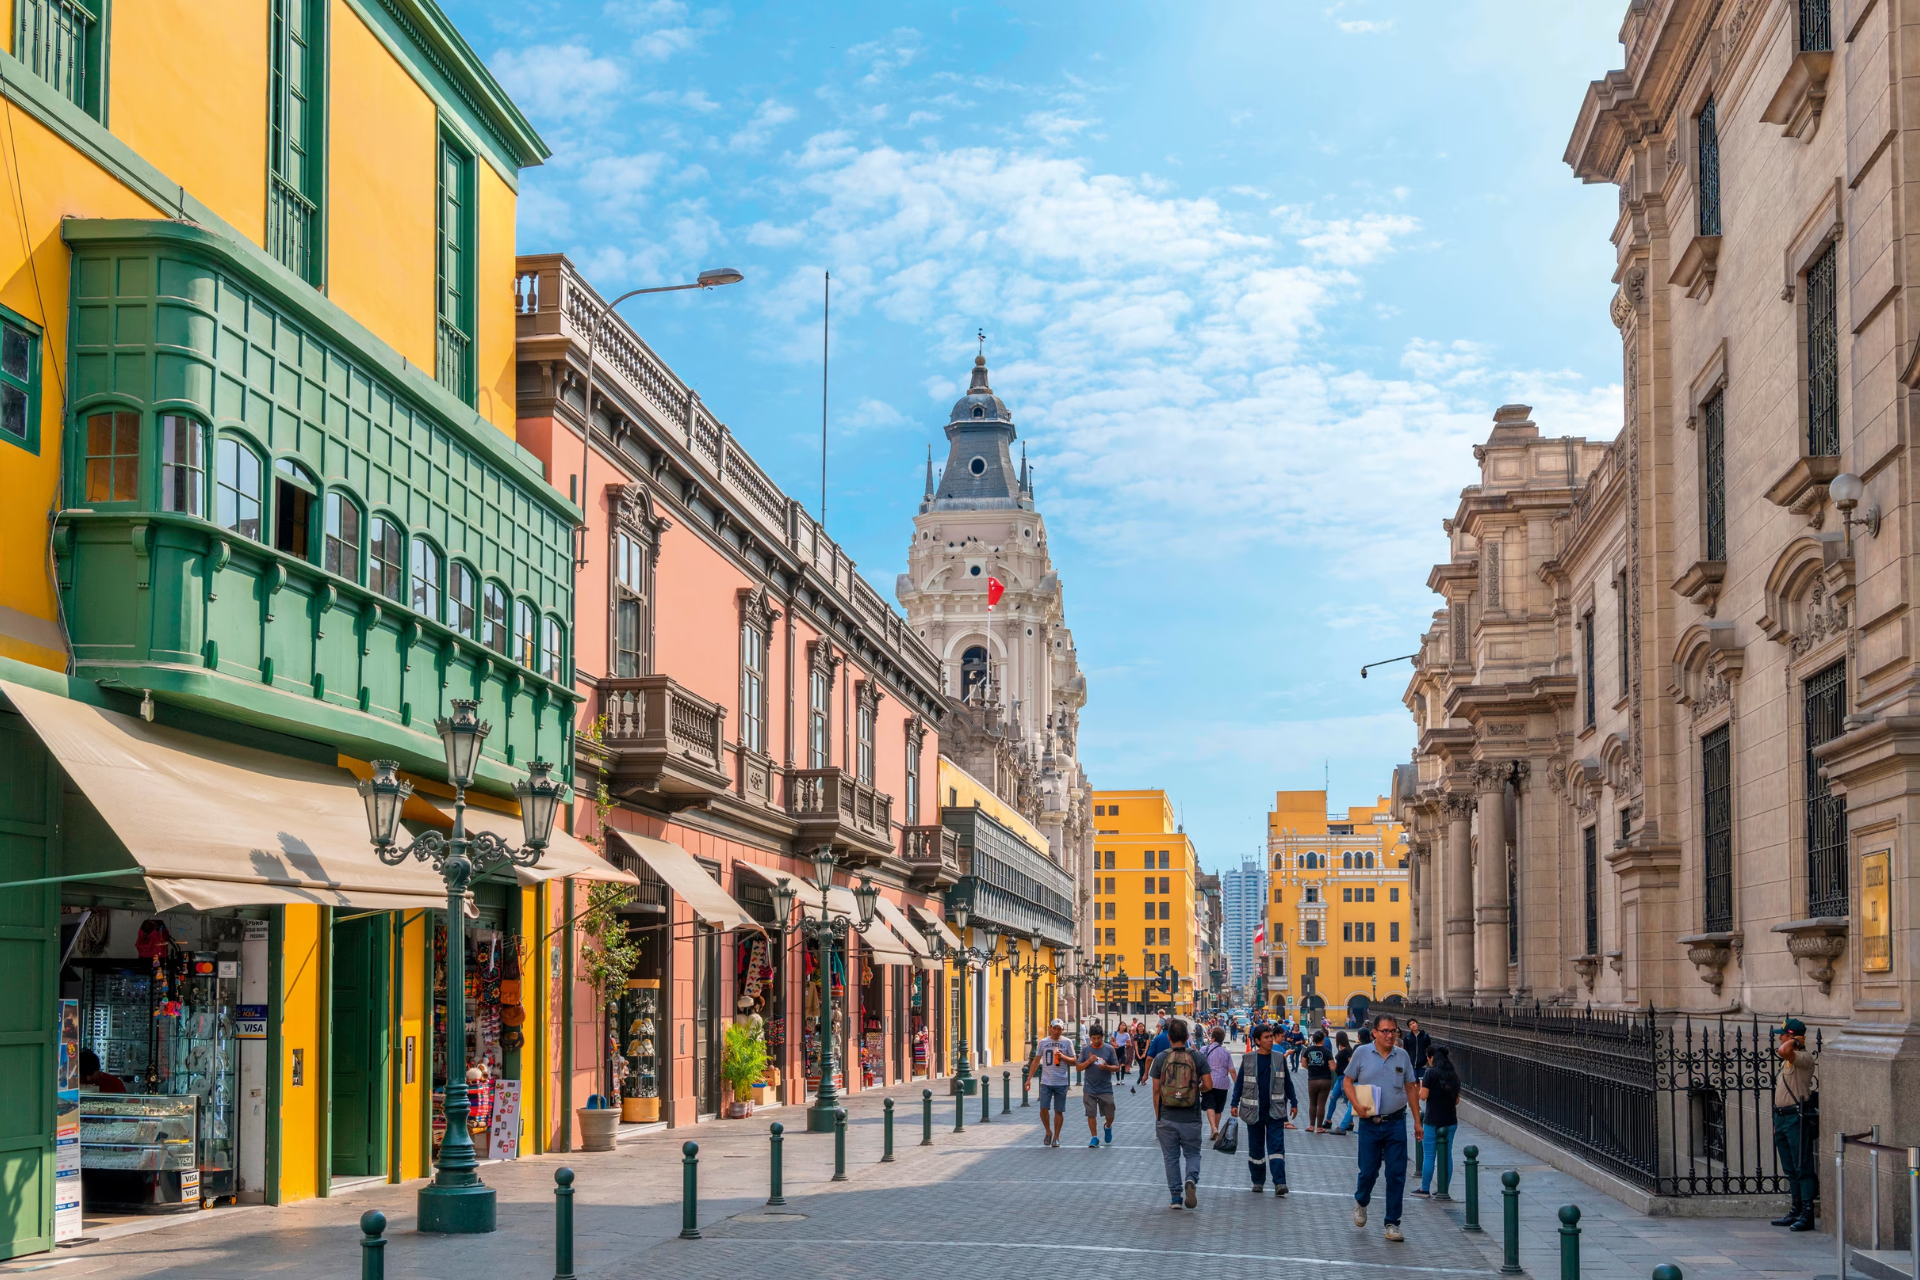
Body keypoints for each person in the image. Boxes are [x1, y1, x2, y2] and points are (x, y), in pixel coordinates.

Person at [1343, 1012, 1422, 1244]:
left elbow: (1411, 1088)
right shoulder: (1361, 1053)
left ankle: (1392, 1223)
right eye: (1385, 1031)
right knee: (1368, 1171)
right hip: (1369, 1124)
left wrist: (1417, 1121)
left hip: (1396, 1122)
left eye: (1393, 1030)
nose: (1390, 1035)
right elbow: (1347, 1081)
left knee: (1396, 1174)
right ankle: (1361, 1201)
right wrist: (1355, 1104)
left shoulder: (1403, 1056)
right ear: (1374, 1032)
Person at [1230, 1023, 1297, 1194]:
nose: (1270, 1040)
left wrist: (1294, 1102)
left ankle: (1280, 1183)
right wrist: (1234, 1103)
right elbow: (1240, 1083)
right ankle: (1258, 1181)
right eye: (1266, 1037)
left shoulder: (1279, 1058)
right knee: (1256, 1148)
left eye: (1270, 1036)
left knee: (1276, 1148)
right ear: (1257, 1041)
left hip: (1275, 1111)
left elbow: (1287, 1083)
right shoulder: (1248, 1059)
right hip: (1254, 1112)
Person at [1151, 1018, 1206, 1209]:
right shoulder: (1197, 1057)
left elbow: (1156, 1091)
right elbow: (1209, 1084)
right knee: (1192, 1153)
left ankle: (1176, 1197)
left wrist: (1158, 1116)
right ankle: (1190, 1179)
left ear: (1168, 1037)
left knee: (1171, 1158)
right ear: (1188, 1037)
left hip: (1167, 1116)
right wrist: (1195, 1089)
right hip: (1191, 1116)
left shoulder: (1160, 1058)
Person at [1769, 1018, 1819, 1231]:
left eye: (1783, 1034)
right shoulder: (1789, 1059)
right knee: (1790, 1167)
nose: (1779, 1037)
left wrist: (1797, 1042)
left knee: (1802, 1166)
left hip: (1796, 1118)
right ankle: (1796, 1209)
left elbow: (1782, 1050)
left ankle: (1807, 1214)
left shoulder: (1804, 1057)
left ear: (1792, 1037)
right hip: (1782, 1117)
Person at [1412, 1045, 1460, 1199]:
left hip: (1432, 1119)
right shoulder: (1453, 1075)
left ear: (1432, 1058)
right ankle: (1443, 1189)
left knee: (1429, 1155)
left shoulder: (1430, 1073)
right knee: (1447, 1154)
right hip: (1450, 1120)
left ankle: (1424, 1189)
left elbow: (1423, 1096)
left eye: (1428, 1057)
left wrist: (1420, 1086)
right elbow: (1457, 1100)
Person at [1028, 1019, 1077, 1148]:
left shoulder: (1067, 1042)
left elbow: (1074, 1061)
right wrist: (1029, 1079)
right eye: (1054, 1028)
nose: (1057, 1031)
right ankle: (1048, 1131)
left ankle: (1056, 1137)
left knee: (1058, 1111)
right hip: (1046, 1081)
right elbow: (1036, 1061)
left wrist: (1063, 1057)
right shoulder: (1043, 1042)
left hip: (1061, 1081)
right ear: (1050, 1028)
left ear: (1063, 1030)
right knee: (1043, 1108)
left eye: (1059, 1029)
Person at [1076, 1026, 1121, 1147]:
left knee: (1110, 1113)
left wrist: (1106, 1067)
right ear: (1090, 1038)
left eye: (1099, 1038)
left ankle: (1108, 1126)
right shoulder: (1085, 1050)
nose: (1096, 1040)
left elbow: (1117, 1067)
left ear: (1102, 1037)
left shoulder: (1109, 1049)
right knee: (1091, 1113)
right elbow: (1078, 1068)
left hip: (1105, 1088)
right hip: (1089, 1088)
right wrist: (1088, 1061)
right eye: (1094, 1038)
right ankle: (1094, 1137)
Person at [1199, 1024, 1234, 1141]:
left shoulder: (1204, 1049)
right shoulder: (1226, 1053)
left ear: (1212, 1038)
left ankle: (1213, 1128)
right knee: (1218, 1108)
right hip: (1223, 1084)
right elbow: (1232, 1071)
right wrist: (1238, 1086)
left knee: (1209, 1104)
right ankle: (1214, 1129)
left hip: (1208, 1082)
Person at [1301, 1030, 1335, 1134]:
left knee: (1312, 1103)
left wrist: (1311, 1068)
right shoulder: (1327, 1051)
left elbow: (1303, 1064)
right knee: (1321, 1104)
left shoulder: (1308, 1050)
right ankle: (1319, 1127)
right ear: (1323, 1039)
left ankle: (1311, 1126)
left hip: (1312, 1080)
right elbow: (1333, 1067)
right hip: (1325, 1080)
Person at [1327, 1032, 1356, 1132]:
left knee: (1348, 1101)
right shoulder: (1343, 1049)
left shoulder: (1347, 1050)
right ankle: (1328, 1120)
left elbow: (1352, 1062)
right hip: (1339, 1078)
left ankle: (1349, 1123)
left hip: (1344, 1077)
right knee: (1333, 1098)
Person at [1404, 1019, 1431, 1084]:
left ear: (1417, 1023)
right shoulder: (1407, 1038)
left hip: (1422, 1063)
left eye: (1413, 1023)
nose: (1413, 1025)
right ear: (1409, 1027)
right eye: (1410, 1024)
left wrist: (1426, 1059)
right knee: (1413, 1082)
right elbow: (1406, 1050)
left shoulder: (1425, 1036)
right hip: (1412, 1064)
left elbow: (1429, 1048)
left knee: (1421, 1082)